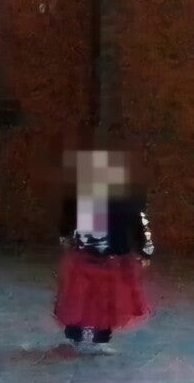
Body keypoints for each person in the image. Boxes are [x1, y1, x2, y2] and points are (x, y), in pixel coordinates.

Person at [54, 148, 154, 355]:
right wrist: (66, 237)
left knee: (106, 301)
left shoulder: (126, 201)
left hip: (113, 260)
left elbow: (139, 224)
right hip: (85, 258)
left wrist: (146, 250)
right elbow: (67, 221)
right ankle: (75, 334)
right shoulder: (80, 199)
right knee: (80, 298)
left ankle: (99, 337)